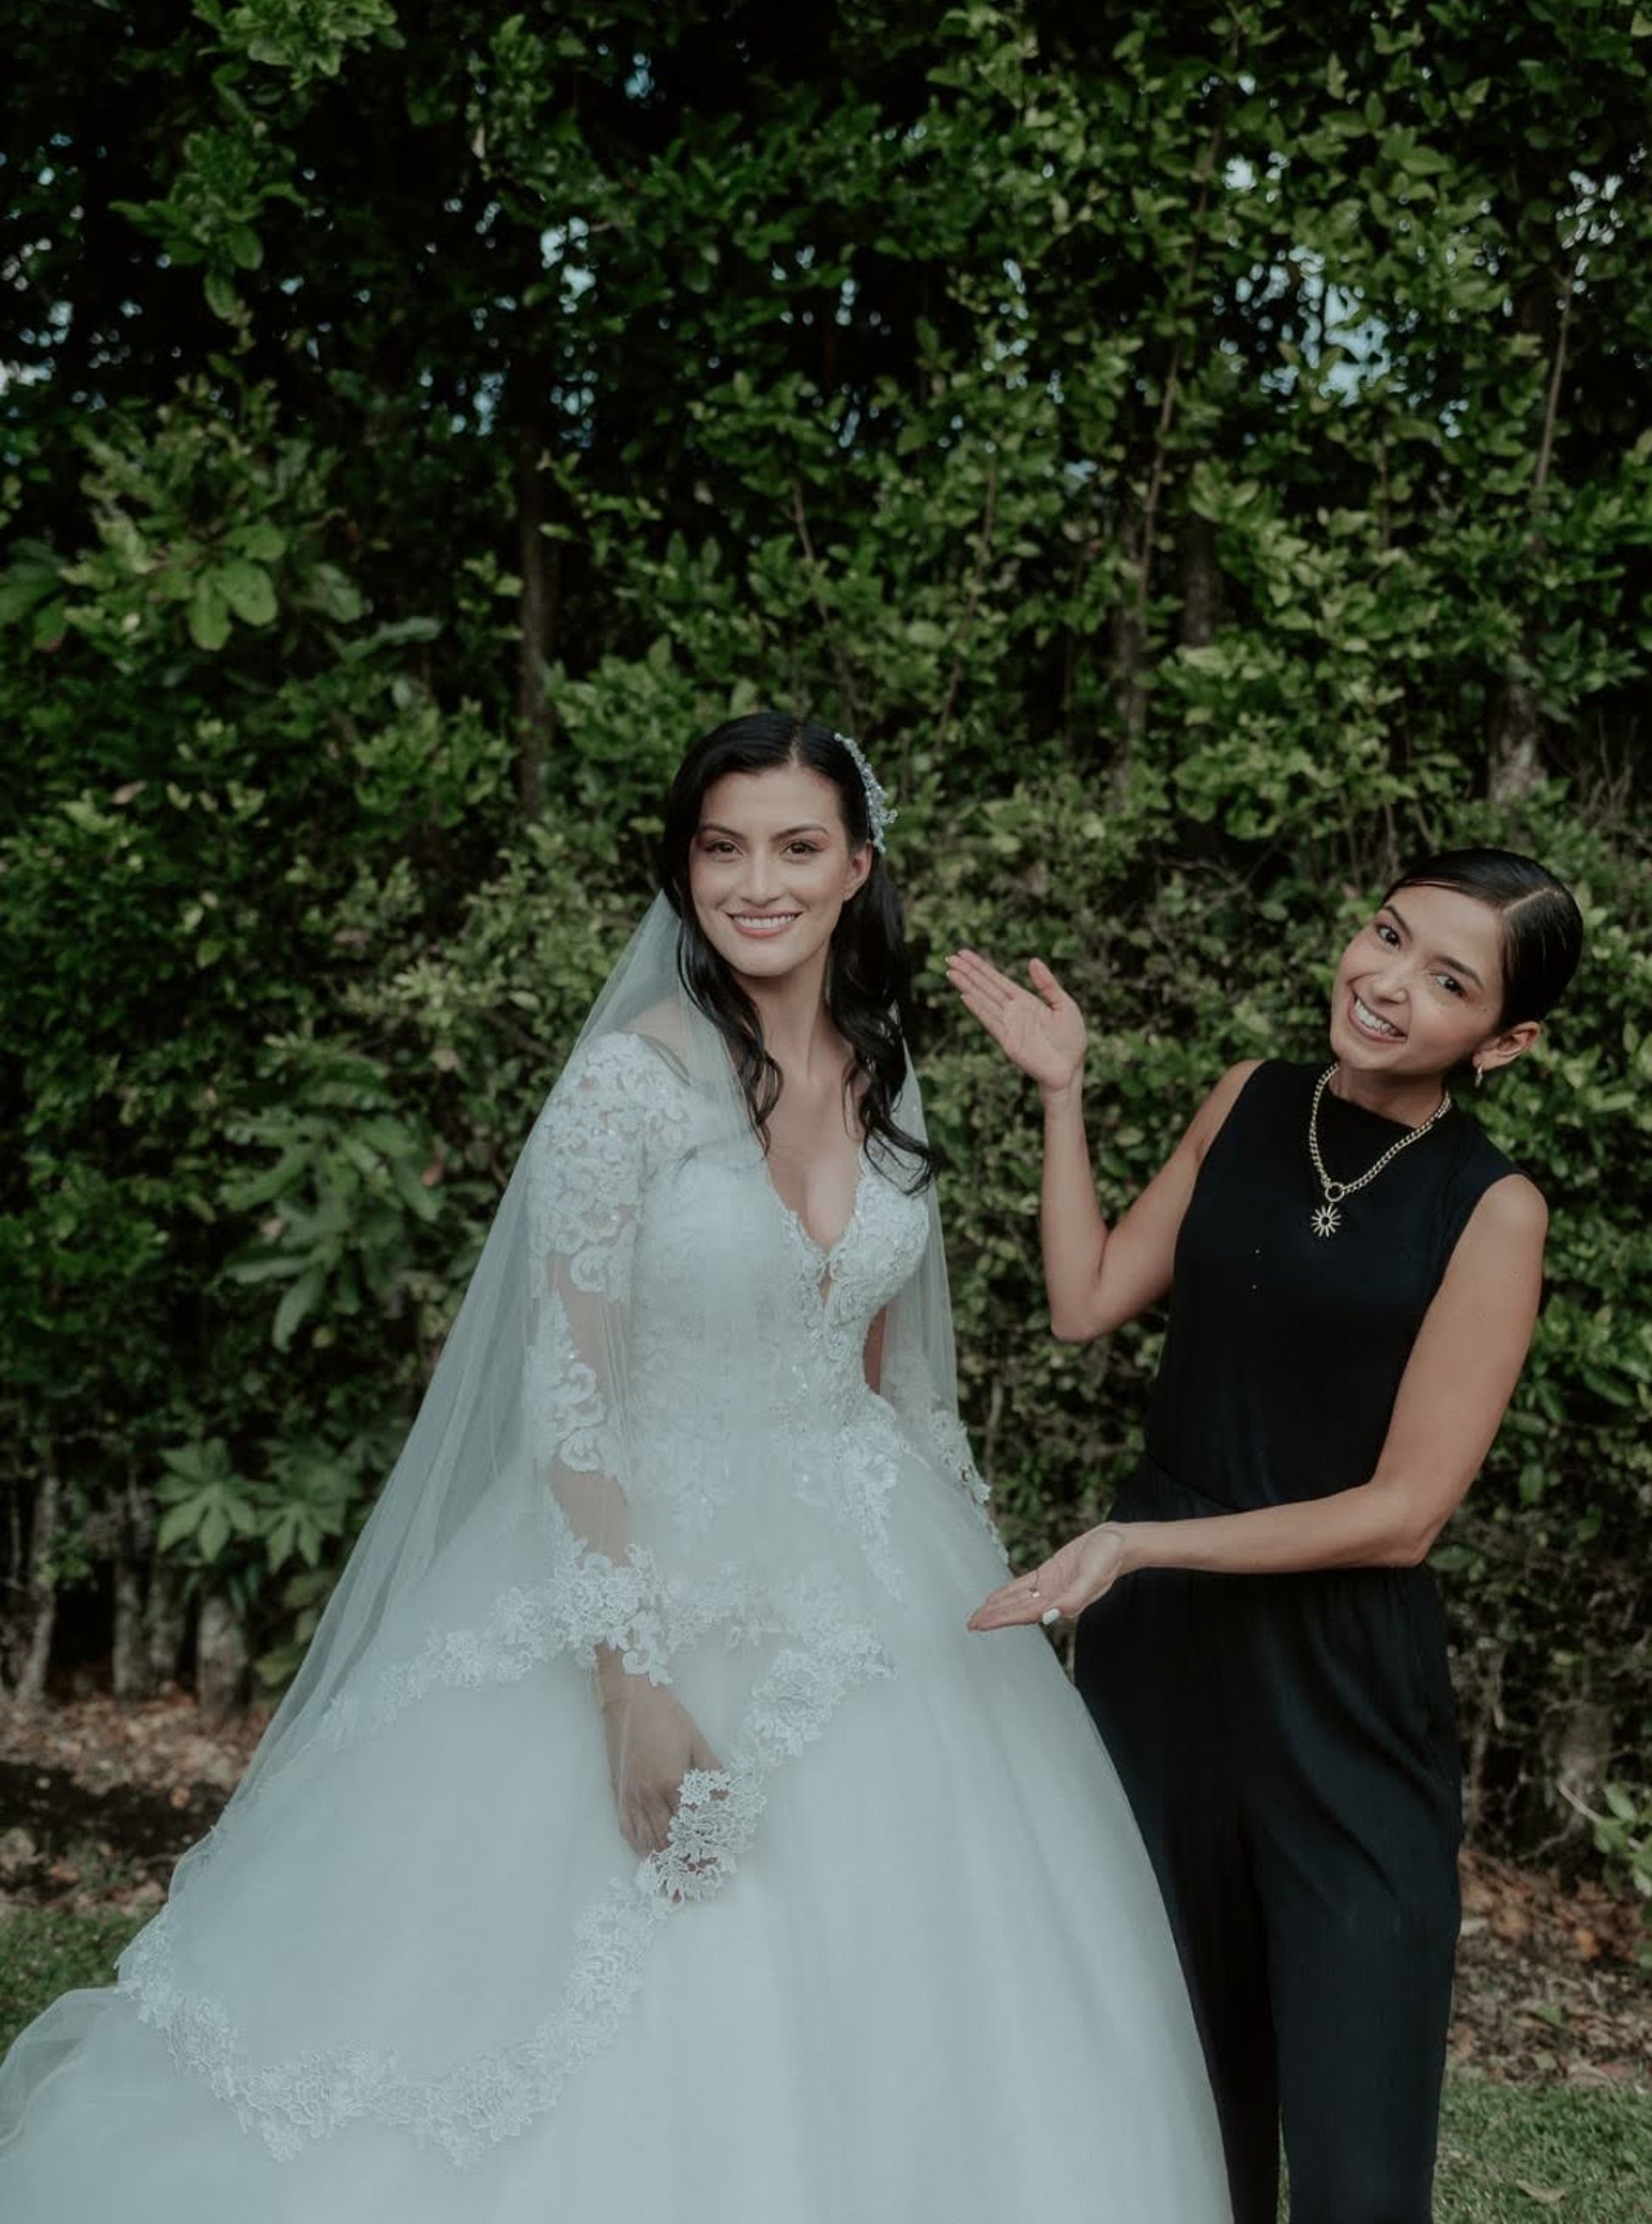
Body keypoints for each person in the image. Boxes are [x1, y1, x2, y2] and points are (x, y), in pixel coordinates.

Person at [0, 712, 1230, 2223]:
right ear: (685, 869)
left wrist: (970, 1569)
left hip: (875, 1573)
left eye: (795, 847)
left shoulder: (887, 1071)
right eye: (723, 848)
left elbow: (885, 1371)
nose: (756, 882)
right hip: (641, 1553)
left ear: (859, 866)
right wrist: (631, 1678)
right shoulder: (623, 1090)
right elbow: (567, 1395)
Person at [948, 849, 1584, 2224]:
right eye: (1387, 934)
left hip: (1340, 1684)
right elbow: (1087, 1298)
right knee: (1184, 2127)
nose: (1387, 983)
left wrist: (1140, 1546)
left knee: (1357, 2175)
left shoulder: (1491, 1206)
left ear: (1508, 1041)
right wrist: (1063, 1097)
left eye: (1447, 980)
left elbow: (1405, 1515)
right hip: (1162, 1672)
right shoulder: (1249, 1098)